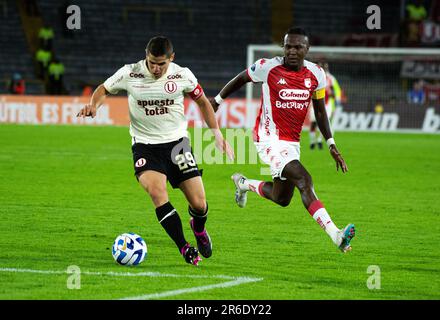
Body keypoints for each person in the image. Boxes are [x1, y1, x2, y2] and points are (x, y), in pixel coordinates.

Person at [77, 36, 234, 266]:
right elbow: (104, 89)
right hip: (145, 147)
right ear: (146, 56)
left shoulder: (183, 75)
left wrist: (217, 133)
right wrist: (94, 105)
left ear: (172, 58)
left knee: (199, 204)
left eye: (161, 63)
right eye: (152, 62)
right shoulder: (130, 73)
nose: (156, 68)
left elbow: (202, 102)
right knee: (157, 193)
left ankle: (198, 229)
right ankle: (184, 247)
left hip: (177, 145)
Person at [210, 27, 355, 253]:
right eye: (288, 46)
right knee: (305, 180)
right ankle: (336, 235)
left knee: (281, 198)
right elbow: (241, 78)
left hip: (291, 143)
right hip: (268, 139)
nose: (292, 51)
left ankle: (243, 183)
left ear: (307, 49)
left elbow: (320, 112)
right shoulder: (268, 68)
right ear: (283, 48)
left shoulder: (316, 75)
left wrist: (331, 144)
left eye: (298, 47)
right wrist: (217, 101)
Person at [308, 61, 342, 150]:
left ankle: (319, 140)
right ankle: (312, 141)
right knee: (313, 123)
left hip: (327, 104)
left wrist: (336, 99)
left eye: (326, 66)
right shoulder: (313, 76)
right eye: (322, 66)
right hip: (314, 103)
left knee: (323, 122)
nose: (324, 68)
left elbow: (335, 91)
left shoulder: (331, 79)